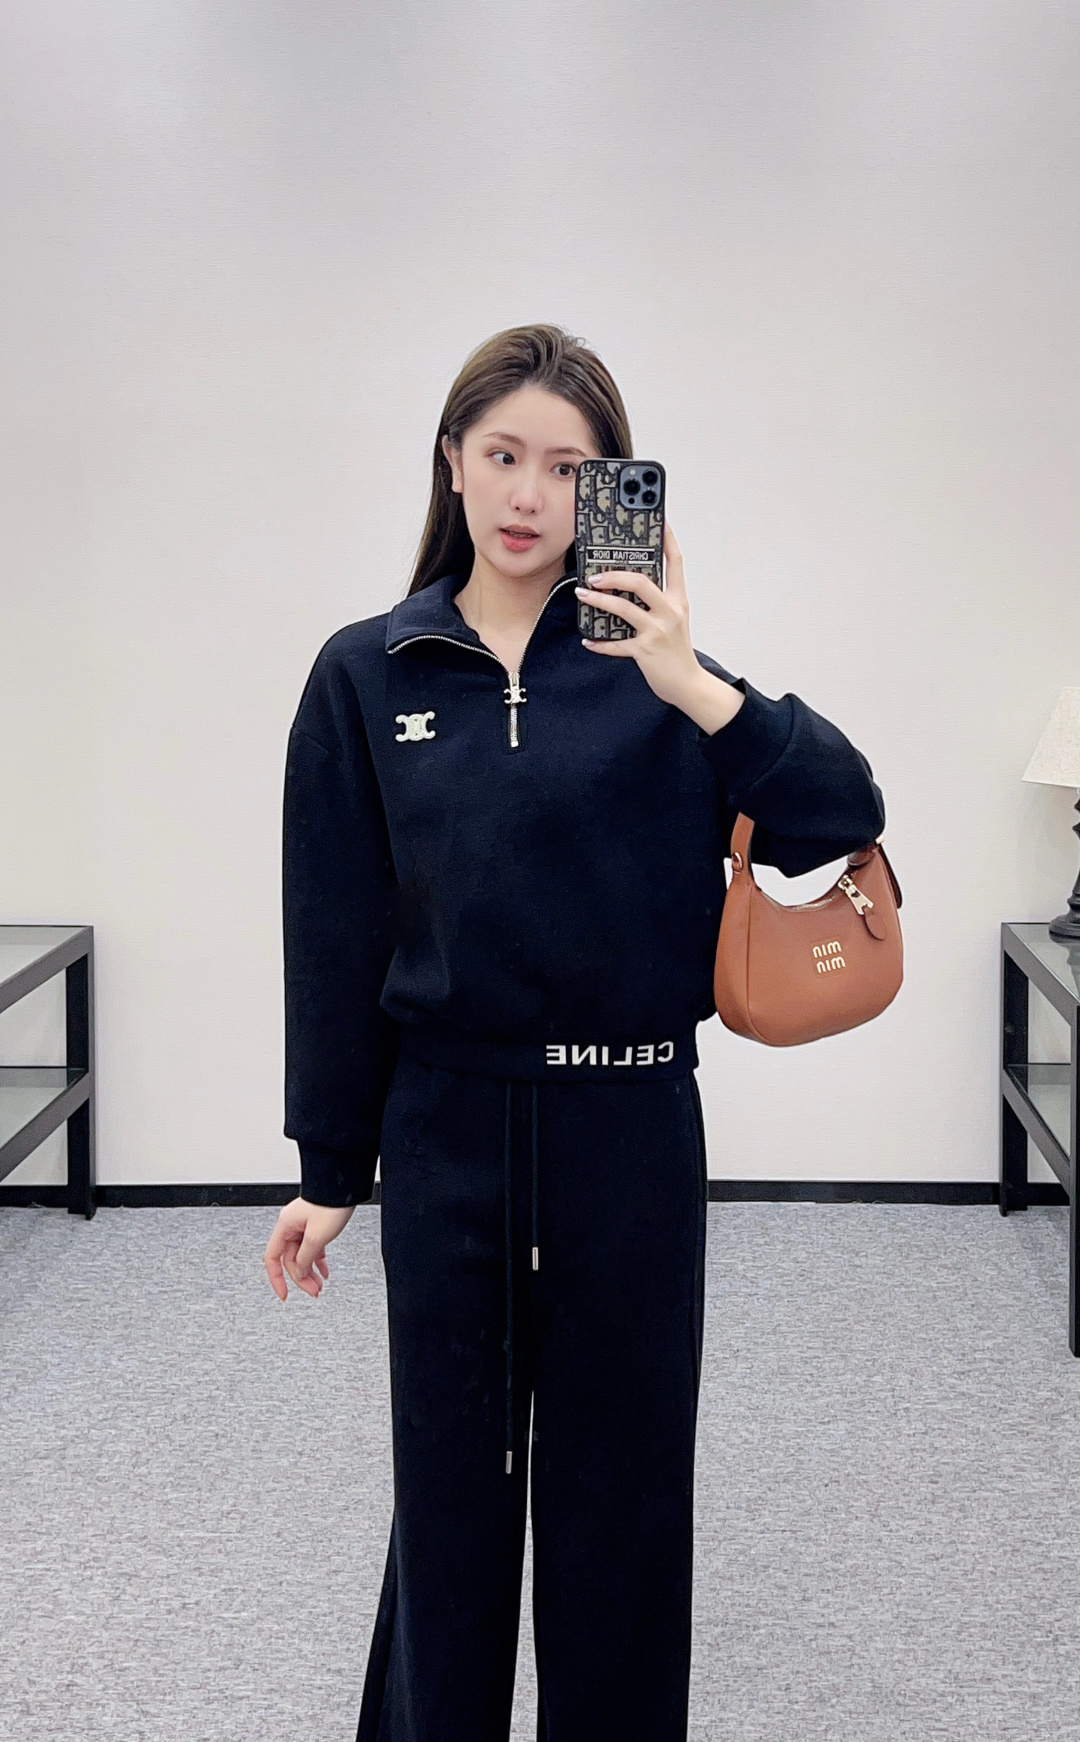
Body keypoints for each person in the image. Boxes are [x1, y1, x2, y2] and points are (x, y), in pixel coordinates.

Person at [263, 324, 885, 1742]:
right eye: (503, 455)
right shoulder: (367, 674)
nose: (528, 493)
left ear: (613, 490)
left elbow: (843, 811)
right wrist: (331, 1166)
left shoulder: (660, 679)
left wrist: (696, 686)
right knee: (451, 1502)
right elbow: (334, 934)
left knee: (623, 1506)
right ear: (452, 462)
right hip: (448, 1137)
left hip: (629, 1135)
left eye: (566, 466)